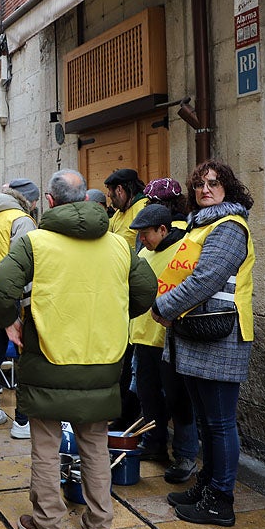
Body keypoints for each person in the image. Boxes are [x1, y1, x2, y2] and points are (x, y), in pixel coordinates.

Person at [0, 169, 156, 529]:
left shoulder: (35, 243)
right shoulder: (119, 245)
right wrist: (114, 317)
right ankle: (101, 527)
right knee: (95, 445)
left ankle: (48, 525)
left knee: (45, 445)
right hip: (102, 361)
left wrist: (10, 322)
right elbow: (145, 290)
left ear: (50, 201)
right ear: (86, 200)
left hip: (47, 358)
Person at [151, 160, 255, 527]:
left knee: (221, 423)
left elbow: (205, 280)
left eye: (213, 183)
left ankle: (220, 499)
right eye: (198, 185)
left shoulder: (229, 227)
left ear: (228, 188)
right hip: (196, 335)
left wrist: (162, 306)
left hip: (220, 337)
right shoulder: (201, 225)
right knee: (208, 422)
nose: (205, 190)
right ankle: (206, 485)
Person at [127, 203, 199, 484]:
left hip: (171, 340)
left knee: (178, 400)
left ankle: (185, 455)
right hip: (143, 337)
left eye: (146, 233)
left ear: (163, 229)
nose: (141, 240)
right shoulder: (144, 252)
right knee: (149, 396)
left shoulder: (183, 250)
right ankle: (154, 444)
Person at [0, 178, 41, 440]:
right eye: (35, 201)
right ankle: (22, 422)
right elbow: (22, 264)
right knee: (24, 358)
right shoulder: (21, 219)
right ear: (28, 200)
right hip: (14, 296)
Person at [104, 168, 148, 433]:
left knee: (133, 363)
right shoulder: (119, 214)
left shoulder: (142, 208)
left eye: (111, 193)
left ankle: (129, 417)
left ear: (121, 190)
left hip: (134, 296)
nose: (110, 199)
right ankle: (121, 414)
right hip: (116, 293)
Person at [104, 168, 148, 248]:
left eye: (110, 190)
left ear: (119, 189)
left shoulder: (144, 208)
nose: (108, 194)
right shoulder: (119, 212)